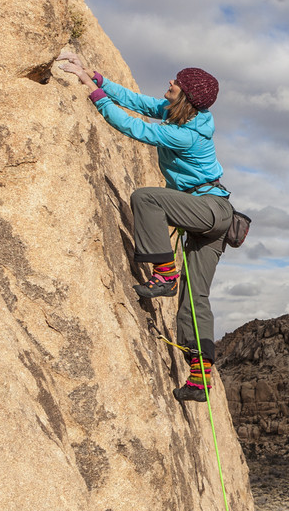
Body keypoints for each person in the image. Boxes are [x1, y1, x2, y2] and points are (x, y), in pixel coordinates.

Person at [58, 50, 233, 403]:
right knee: (195, 299)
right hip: (210, 213)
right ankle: (200, 381)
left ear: (186, 96)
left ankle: (166, 274)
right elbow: (140, 103)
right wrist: (98, 79)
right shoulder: (180, 115)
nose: (170, 83)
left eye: (176, 83)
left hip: (210, 209)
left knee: (146, 198)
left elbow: (132, 127)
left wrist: (93, 95)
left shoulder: (186, 135)